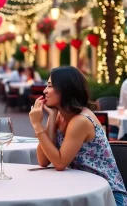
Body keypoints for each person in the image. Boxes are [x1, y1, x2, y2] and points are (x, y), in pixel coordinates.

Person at [29, 66, 127, 205]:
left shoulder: (80, 120)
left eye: (50, 86)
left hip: (106, 196)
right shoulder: (59, 116)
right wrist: (51, 118)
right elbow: (44, 161)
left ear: (65, 90)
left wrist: (37, 125)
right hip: (82, 189)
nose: (44, 91)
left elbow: (60, 163)